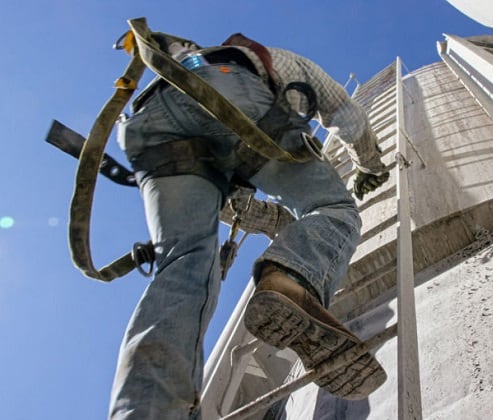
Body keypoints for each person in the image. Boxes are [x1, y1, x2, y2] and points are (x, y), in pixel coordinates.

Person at [109, 29, 390, 419]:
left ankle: (148, 411)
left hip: (147, 125)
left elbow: (235, 207)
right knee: (332, 207)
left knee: (181, 266)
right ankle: (292, 283)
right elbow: (343, 111)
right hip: (228, 94)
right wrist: (370, 165)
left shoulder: (183, 63)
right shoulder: (283, 62)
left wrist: (282, 226)